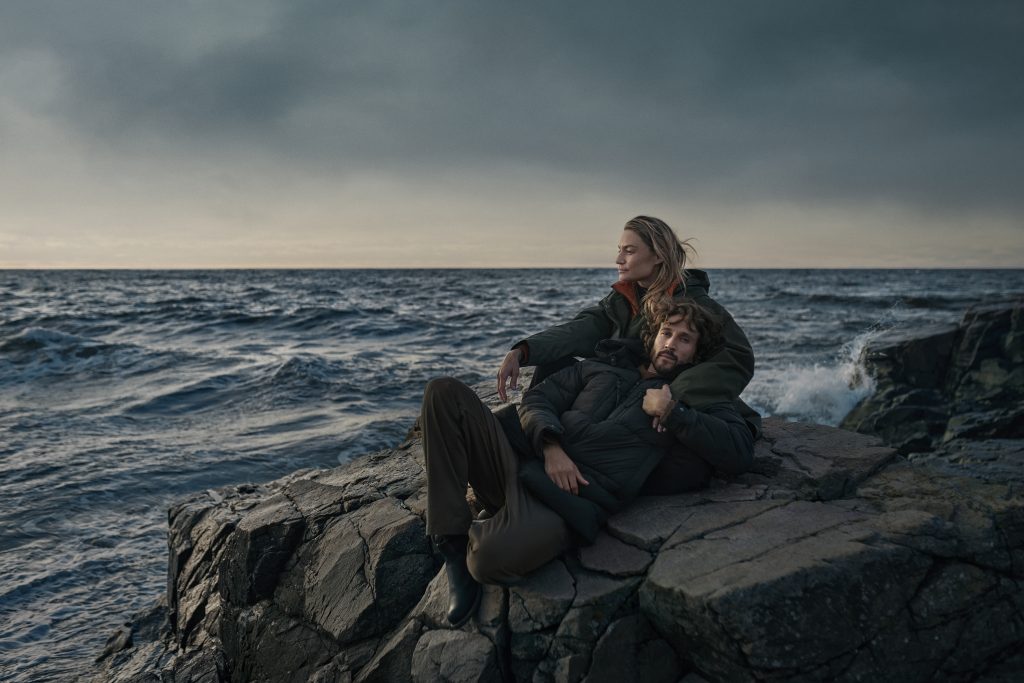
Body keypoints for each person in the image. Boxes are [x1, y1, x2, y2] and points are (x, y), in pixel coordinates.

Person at [421, 301, 754, 627]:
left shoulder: (693, 396)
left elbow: (738, 450)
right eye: (667, 332)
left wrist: (672, 412)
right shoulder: (604, 364)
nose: (671, 344)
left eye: (685, 339)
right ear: (652, 335)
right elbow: (538, 399)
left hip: (564, 503)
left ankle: (496, 519)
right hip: (521, 460)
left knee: (487, 560)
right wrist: (551, 445)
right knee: (443, 392)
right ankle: (451, 543)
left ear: (697, 353)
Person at [496, 215, 760, 461]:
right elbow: (584, 328)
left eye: (629, 251)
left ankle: (543, 460)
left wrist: (671, 398)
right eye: (619, 249)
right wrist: (524, 350)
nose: (618, 259)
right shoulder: (626, 297)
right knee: (552, 366)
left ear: (657, 255)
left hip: (662, 400)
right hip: (630, 387)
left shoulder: (694, 303)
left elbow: (738, 357)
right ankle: (540, 447)